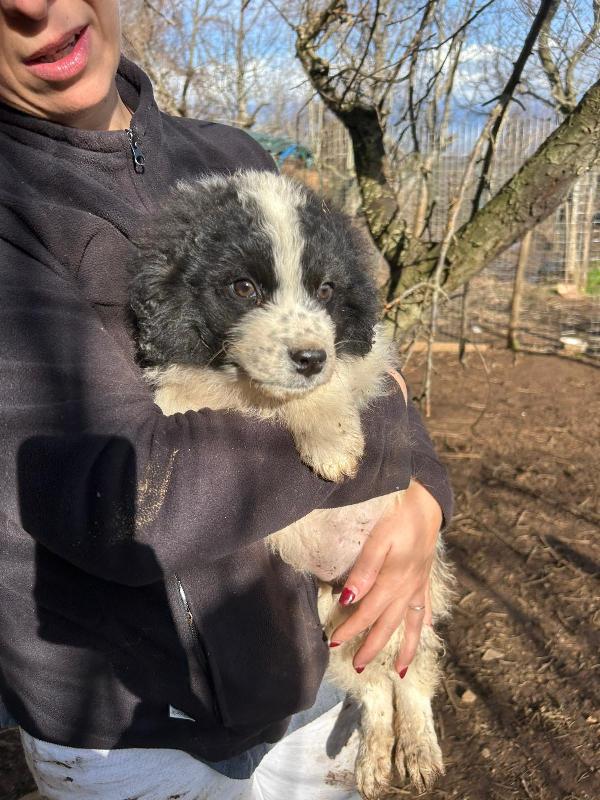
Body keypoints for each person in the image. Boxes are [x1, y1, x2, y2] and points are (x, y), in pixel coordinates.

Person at [0, 1, 453, 798]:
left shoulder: (232, 155)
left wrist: (424, 502)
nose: (31, 3)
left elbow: (348, 338)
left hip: (305, 679)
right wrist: (383, 443)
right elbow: (133, 497)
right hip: (131, 731)